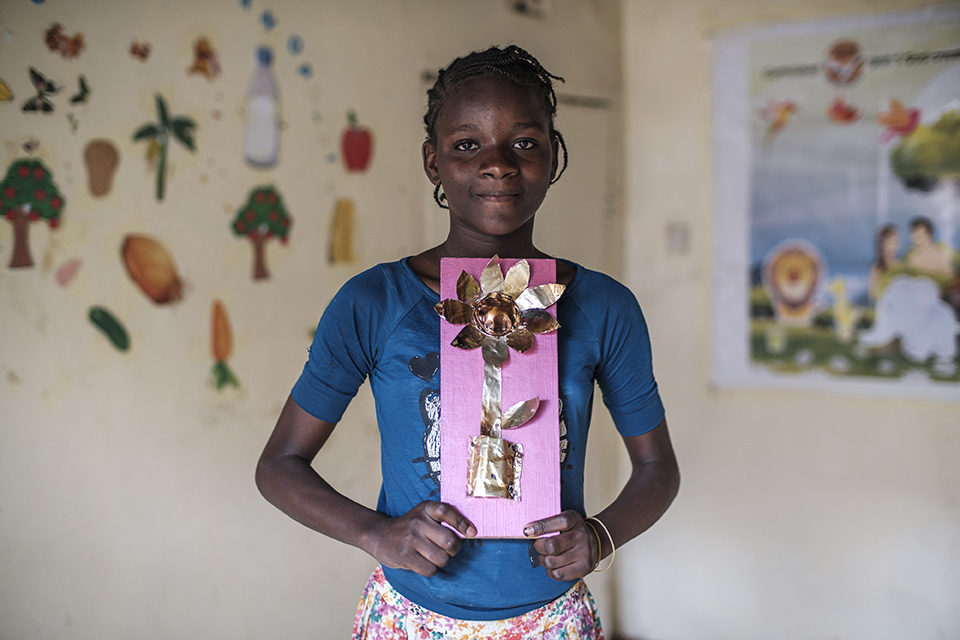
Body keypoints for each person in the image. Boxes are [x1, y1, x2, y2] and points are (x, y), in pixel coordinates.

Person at [256, 45, 680, 639]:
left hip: (550, 622)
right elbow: (279, 465)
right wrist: (375, 533)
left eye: (525, 142)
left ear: (554, 156)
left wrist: (600, 535)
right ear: (434, 162)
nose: (499, 164)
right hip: (409, 620)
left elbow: (658, 467)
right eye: (467, 144)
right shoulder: (375, 302)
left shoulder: (605, 307)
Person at [868, 223, 901, 300]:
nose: (893, 247)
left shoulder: (901, 266)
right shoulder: (877, 268)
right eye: (889, 243)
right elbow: (872, 295)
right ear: (881, 245)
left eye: (895, 242)